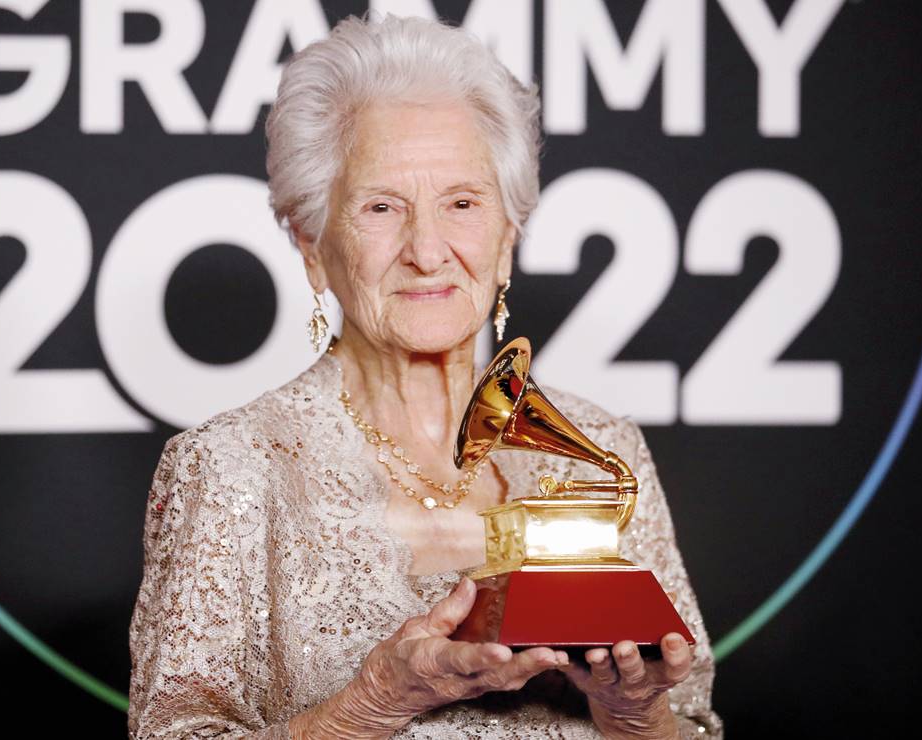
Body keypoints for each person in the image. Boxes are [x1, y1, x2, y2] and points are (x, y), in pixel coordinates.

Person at [128, 12, 722, 739]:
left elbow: (693, 727)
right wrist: (372, 702)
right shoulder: (226, 470)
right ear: (311, 244)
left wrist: (631, 712)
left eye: (463, 204)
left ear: (508, 236)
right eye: (381, 207)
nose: (427, 250)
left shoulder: (609, 446)